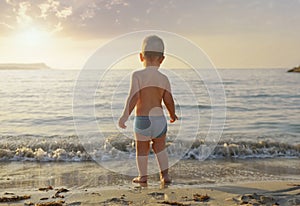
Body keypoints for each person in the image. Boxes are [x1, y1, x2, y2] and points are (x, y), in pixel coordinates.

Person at [118, 35, 178, 185]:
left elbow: (133, 97)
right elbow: (168, 100)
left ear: (140, 56)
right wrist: (172, 114)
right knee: (160, 149)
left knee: (142, 150)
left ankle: (143, 176)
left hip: (142, 120)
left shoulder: (137, 75)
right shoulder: (164, 78)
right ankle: (165, 176)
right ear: (162, 59)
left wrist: (125, 115)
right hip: (159, 121)